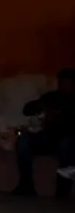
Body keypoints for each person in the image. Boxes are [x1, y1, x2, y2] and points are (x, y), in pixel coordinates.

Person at [14, 67, 75, 197]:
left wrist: (59, 118)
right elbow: (27, 109)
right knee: (24, 140)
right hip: (47, 137)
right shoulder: (53, 97)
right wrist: (42, 107)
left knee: (67, 143)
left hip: (66, 139)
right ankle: (26, 185)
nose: (64, 86)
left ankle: (63, 189)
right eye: (61, 82)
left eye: (68, 83)